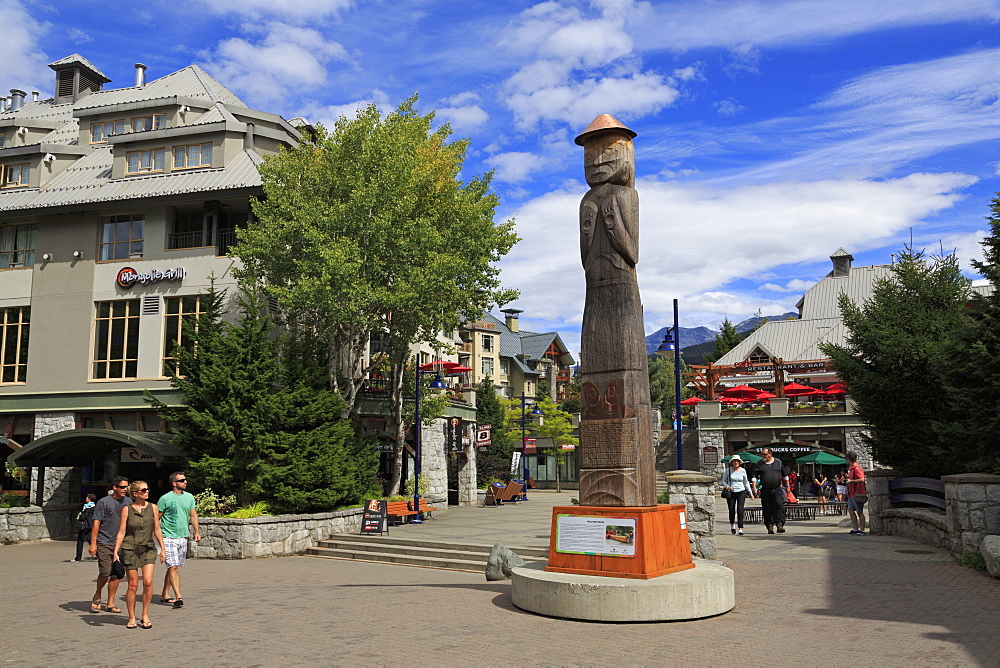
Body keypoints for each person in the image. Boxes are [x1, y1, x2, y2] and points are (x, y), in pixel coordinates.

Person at [113, 480, 166, 629]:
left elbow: (157, 530)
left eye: (147, 489)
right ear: (135, 494)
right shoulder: (127, 509)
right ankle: (131, 617)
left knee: (148, 582)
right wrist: (116, 551)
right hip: (130, 549)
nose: (147, 492)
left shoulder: (153, 508)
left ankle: (145, 614)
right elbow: (122, 531)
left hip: (148, 548)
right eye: (143, 490)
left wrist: (163, 549)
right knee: (133, 585)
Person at [157, 471, 201, 607]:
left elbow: (193, 515)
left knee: (173, 567)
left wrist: (196, 531)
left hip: (183, 536)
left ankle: (165, 593)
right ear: (174, 483)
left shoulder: (189, 497)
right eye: (182, 480)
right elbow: (156, 517)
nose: (185, 482)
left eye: (185, 480)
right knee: (173, 566)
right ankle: (178, 596)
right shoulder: (165, 498)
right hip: (168, 536)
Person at [88, 476, 131, 613]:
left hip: (121, 544)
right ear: (115, 487)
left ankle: (111, 602)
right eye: (122, 487)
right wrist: (93, 544)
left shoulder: (129, 502)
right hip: (105, 542)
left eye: (127, 487)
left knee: (117, 573)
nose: (125, 489)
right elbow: (96, 523)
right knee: (105, 572)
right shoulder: (103, 502)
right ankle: (98, 593)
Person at [753, 448, 791, 534]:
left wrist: (787, 486)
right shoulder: (759, 464)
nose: (763, 456)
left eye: (764, 454)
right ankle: (769, 525)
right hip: (765, 489)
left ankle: (780, 524)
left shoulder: (778, 462)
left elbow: (785, 475)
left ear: (770, 454)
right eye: (762, 454)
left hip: (777, 488)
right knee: (767, 507)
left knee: (779, 504)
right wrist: (754, 487)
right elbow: (754, 476)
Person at [721, 455, 755, 535]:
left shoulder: (743, 470)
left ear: (739, 462)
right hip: (731, 492)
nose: (736, 462)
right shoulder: (728, 470)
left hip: (741, 491)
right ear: (732, 462)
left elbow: (746, 482)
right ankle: (732, 525)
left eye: (737, 461)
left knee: (740, 510)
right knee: (732, 510)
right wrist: (727, 486)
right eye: (734, 461)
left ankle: (740, 528)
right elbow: (723, 480)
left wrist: (750, 493)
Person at [846, 452, 868, 535]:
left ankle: (862, 530)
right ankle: (855, 529)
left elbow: (862, 479)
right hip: (851, 493)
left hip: (857, 493)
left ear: (849, 460)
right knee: (851, 511)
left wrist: (851, 481)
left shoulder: (857, 468)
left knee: (859, 512)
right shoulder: (851, 469)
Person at [74, 493, 97, 562]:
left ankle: (78, 558)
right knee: (91, 541)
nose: (86, 499)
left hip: (84, 526)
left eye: (87, 497)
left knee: (80, 542)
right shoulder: (95, 508)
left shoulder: (86, 508)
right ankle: (99, 555)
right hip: (91, 526)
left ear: (89, 499)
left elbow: (82, 517)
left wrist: (80, 514)